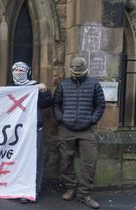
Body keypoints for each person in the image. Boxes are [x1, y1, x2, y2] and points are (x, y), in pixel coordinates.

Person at [53, 57, 105, 209]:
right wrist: (61, 119)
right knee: (65, 160)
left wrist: (92, 120)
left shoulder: (94, 84)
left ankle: (84, 194)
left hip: (86, 130)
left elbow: (100, 105)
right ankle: (70, 187)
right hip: (65, 129)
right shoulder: (63, 84)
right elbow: (56, 104)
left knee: (89, 162)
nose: (77, 74)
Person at [10, 62, 52, 204]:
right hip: (16, 133)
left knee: (35, 161)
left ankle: (33, 190)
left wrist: (44, 90)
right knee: (16, 161)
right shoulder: (9, 88)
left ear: (27, 72)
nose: (18, 72)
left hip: (35, 131)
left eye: (21, 70)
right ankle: (16, 189)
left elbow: (47, 102)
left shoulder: (35, 87)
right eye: (15, 70)